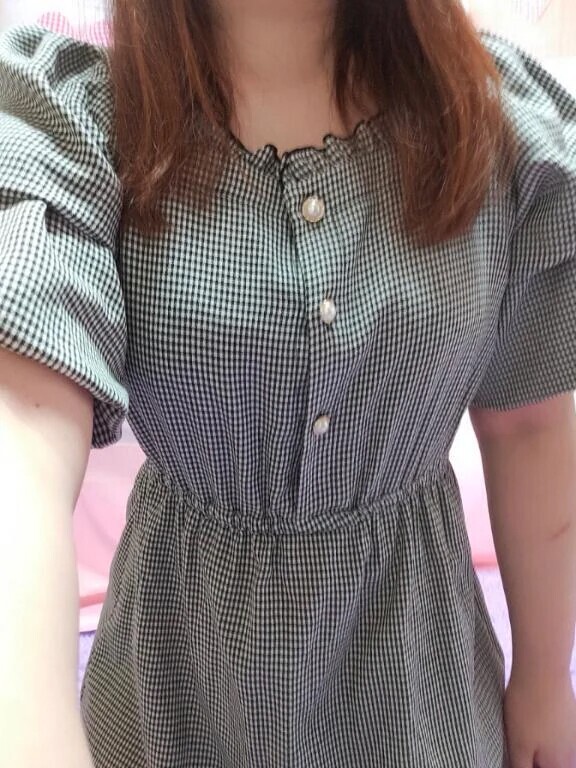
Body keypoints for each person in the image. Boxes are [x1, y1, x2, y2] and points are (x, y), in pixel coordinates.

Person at [0, 1, 575, 766]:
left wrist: (545, 676)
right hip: (174, 682)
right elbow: (19, 428)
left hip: (415, 687)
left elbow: (529, 424)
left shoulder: (499, 127)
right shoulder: (78, 119)